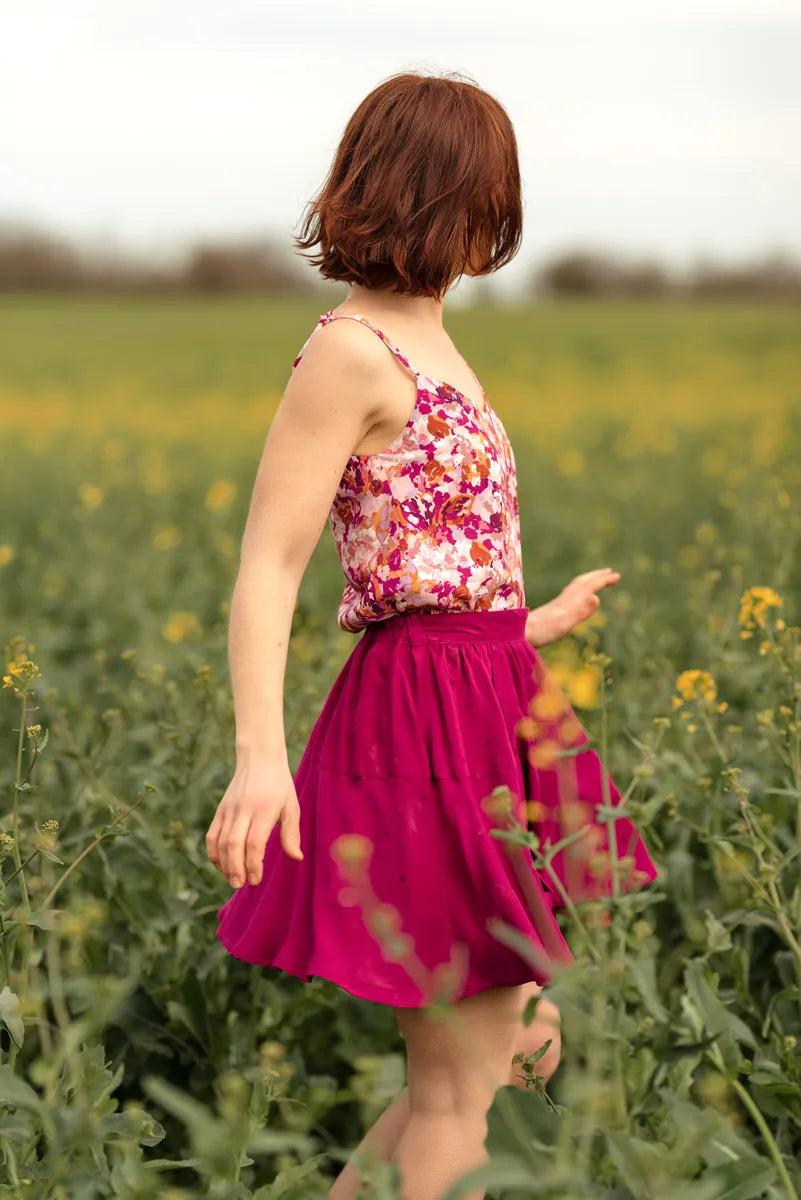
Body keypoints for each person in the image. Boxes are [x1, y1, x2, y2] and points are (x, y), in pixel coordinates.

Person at [206, 69, 658, 1200]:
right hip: (422, 718)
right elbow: (270, 562)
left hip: (486, 690)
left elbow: (427, 542)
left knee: (489, 1056)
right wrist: (261, 759)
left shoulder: (436, 345)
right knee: (476, 1073)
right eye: (485, 196)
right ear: (448, 197)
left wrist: (525, 622)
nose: (490, 225)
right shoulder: (352, 350)